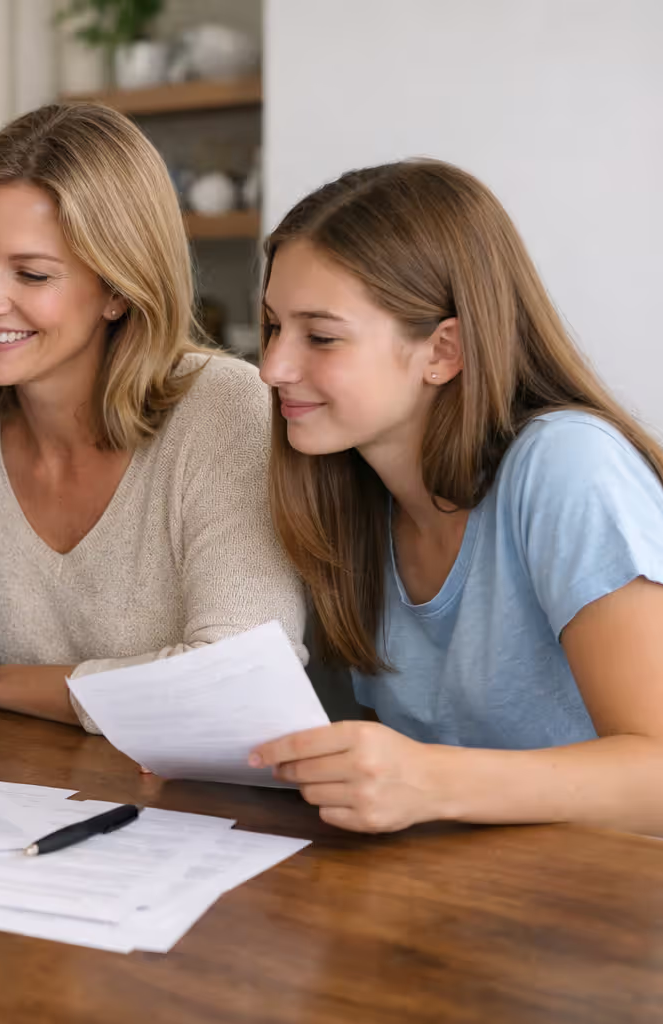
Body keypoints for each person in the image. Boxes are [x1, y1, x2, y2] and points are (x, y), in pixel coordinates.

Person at [250, 159, 663, 836]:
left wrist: (429, 780)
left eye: (320, 337)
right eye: (272, 327)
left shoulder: (568, 464)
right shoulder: (351, 495)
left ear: (444, 350)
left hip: (611, 911)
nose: (272, 368)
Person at [0, 103, 305, 732]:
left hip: (187, 811)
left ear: (120, 290)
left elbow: (241, 682)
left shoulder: (227, 411)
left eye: (32, 273)